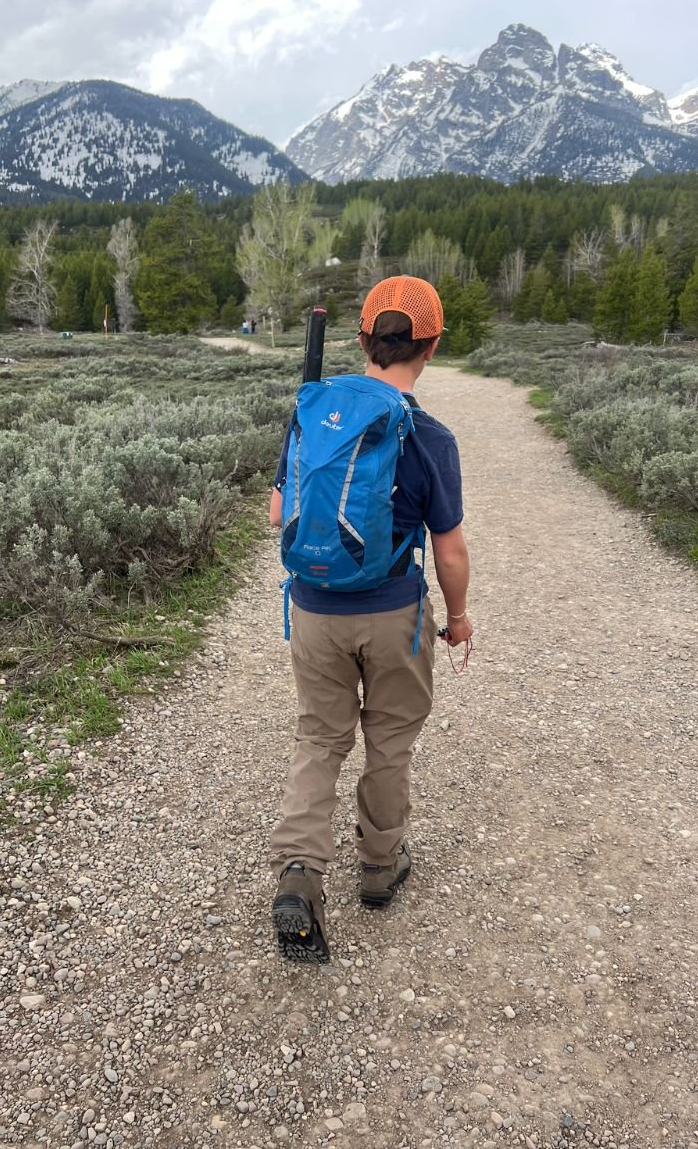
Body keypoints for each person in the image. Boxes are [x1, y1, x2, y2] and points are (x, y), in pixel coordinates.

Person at [268, 275, 472, 964]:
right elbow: (448, 547)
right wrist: (461, 616)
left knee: (320, 739)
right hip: (393, 614)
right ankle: (381, 868)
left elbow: (278, 516)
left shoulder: (309, 414)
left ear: (361, 340)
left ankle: (300, 871)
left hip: (314, 611)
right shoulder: (429, 435)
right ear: (432, 345)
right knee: (389, 741)